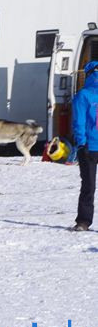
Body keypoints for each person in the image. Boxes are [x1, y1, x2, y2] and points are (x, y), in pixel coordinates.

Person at [72, 61, 98, 232]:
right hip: (91, 144)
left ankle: (83, 222)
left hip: (89, 146)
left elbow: (79, 121)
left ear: (88, 75)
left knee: (88, 185)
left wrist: (80, 143)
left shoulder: (83, 95)